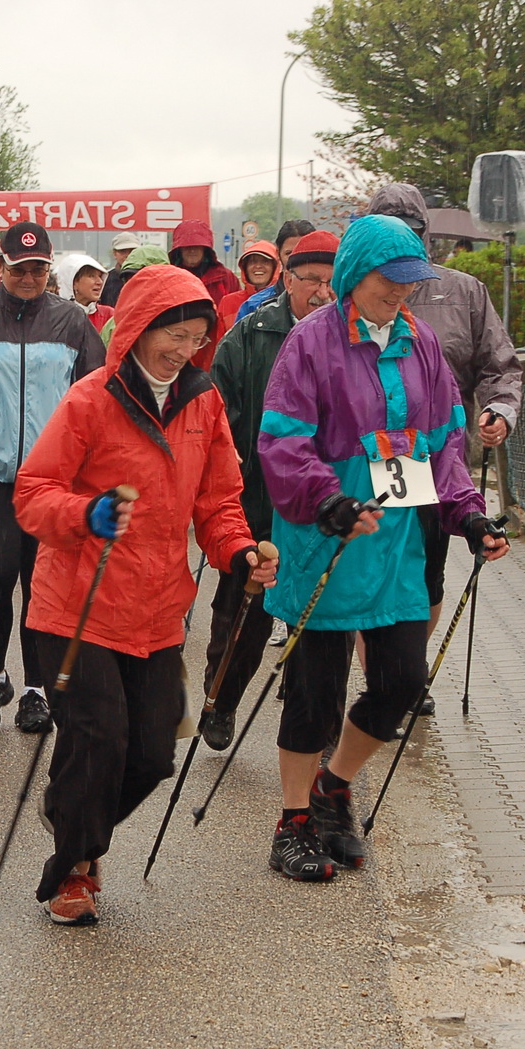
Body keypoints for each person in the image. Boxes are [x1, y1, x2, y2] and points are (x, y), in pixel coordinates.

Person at [14, 263, 274, 925]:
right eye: (173, 333)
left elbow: (219, 502)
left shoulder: (204, 403)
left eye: (194, 337)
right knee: (97, 738)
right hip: (74, 609)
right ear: (137, 328)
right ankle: (72, 868)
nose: (183, 349)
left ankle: (73, 816)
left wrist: (240, 552)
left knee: (155, 754)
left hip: (158, 614)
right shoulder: (90, 400)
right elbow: (33, 494)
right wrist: (85, 515)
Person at [258, 214, 507, 882]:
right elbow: (282, 439)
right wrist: (326, 499)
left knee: (400, 680)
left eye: (408, 284)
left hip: (396, 540)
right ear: (353, 275)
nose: (399, 295)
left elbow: (446, 440)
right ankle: (293, 822)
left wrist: (468, 515)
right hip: (328, 538)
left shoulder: (420, 343)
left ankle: (333, 787)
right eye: (387, 282)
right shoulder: (310, 343)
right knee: (315, 691)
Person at [0, 222, 107, 732]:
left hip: (53, 479)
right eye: (19, 269)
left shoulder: (72, 322)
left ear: (48, 270)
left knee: (41, 585)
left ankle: (35, 689)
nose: (29, 277)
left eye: (38, 269)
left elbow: (96, 393)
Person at [367, 184, 519, 718]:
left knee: (427, 573)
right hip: (373, 453)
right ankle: (383, 676)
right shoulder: (355, 291)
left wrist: (499, 411)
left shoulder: (465, 292)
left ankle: (407, 663)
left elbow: (501, 366)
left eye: (410, 232)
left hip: (438, 458)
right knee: (378, 565)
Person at [199, 229, 339, 748]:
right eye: (312, 281)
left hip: (327, 504)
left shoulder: (354, 340)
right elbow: (220, 409)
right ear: (288, 279)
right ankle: (220, 701)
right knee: (243, 614)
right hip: (259, 501)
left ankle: (319, 722)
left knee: (323, 618)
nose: (324, 292)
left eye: (332, 282)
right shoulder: (250, 334)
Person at [233, 220, 317, 329]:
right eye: (289, 253)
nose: (297, 259)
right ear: (278, 254)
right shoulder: (255, 306)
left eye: (304, 252)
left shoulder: (330, 300)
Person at [213, 239, 280, 347]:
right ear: (245, 267)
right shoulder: (228, 303)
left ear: (275, 267)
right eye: (253, 261)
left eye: (265, 261)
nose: (258, 266)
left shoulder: (285, 300)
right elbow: (220, 345)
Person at [168, 219, 241, 307]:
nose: (192, 250)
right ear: (179, 249)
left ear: (205, 249)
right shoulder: (167, 279)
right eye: (187, 246)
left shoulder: (226, 278)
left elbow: (236, 311)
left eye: (197, 246)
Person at [56, 253, 113, 338]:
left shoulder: (109, 315)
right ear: (73, 282)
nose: (100, 282)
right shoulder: (54, 317)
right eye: (91, 276)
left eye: (100, 276)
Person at [97, 231, 142, 306]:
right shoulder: (104, 278)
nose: (128, 255)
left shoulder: (147, 277)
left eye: (132, 251)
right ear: (114, 253)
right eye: (123, 251)